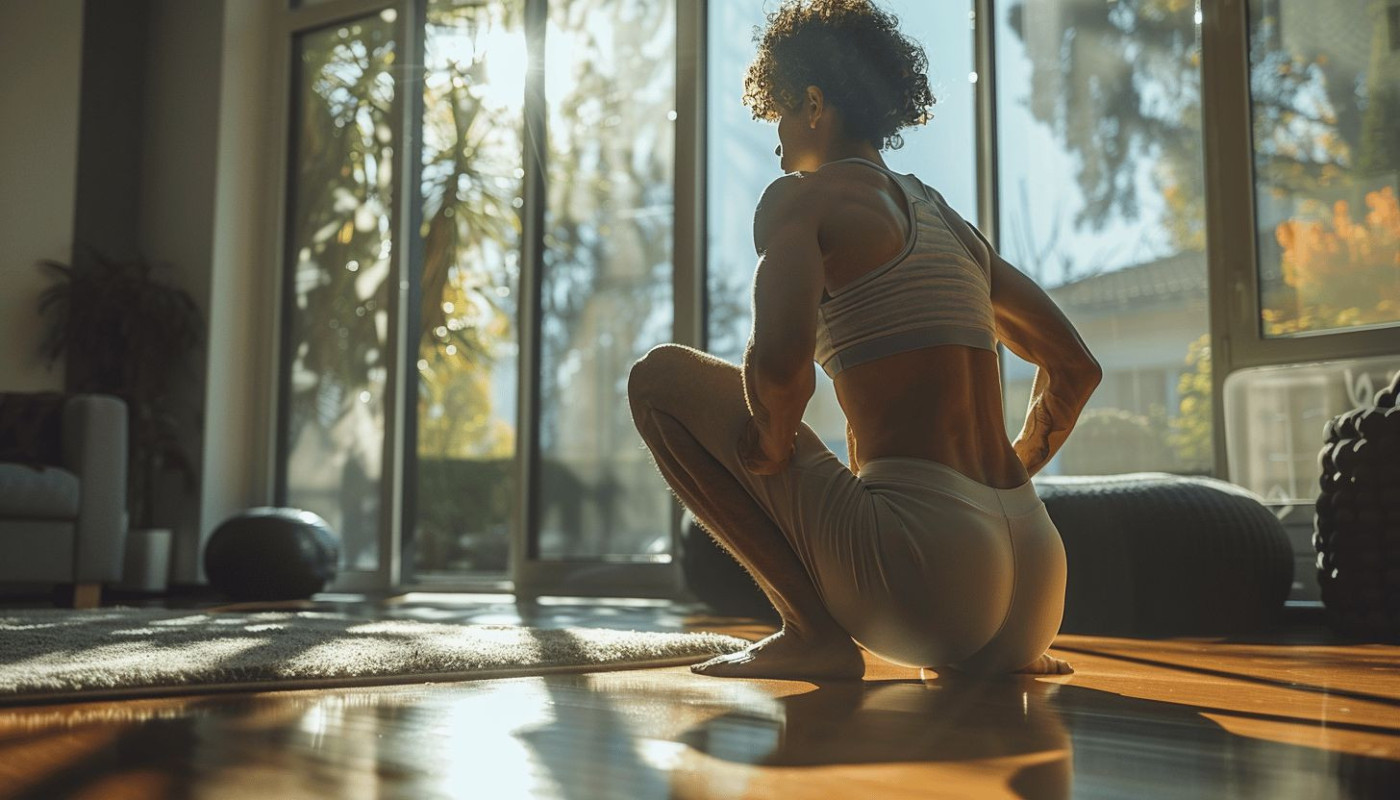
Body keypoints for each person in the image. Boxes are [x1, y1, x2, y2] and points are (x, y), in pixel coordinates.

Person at [627, 0, 1101, 680]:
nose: (778, 138)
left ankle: (809, 631)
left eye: (782, 114)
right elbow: (1075, 368)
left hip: (927, 576)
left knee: (659, 378)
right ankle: (986, 634)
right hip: (1035, 578)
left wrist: (767, 444)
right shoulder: (951, 224)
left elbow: (785, 373)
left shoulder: (801, 199)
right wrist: (1011, 470)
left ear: (815, 103)